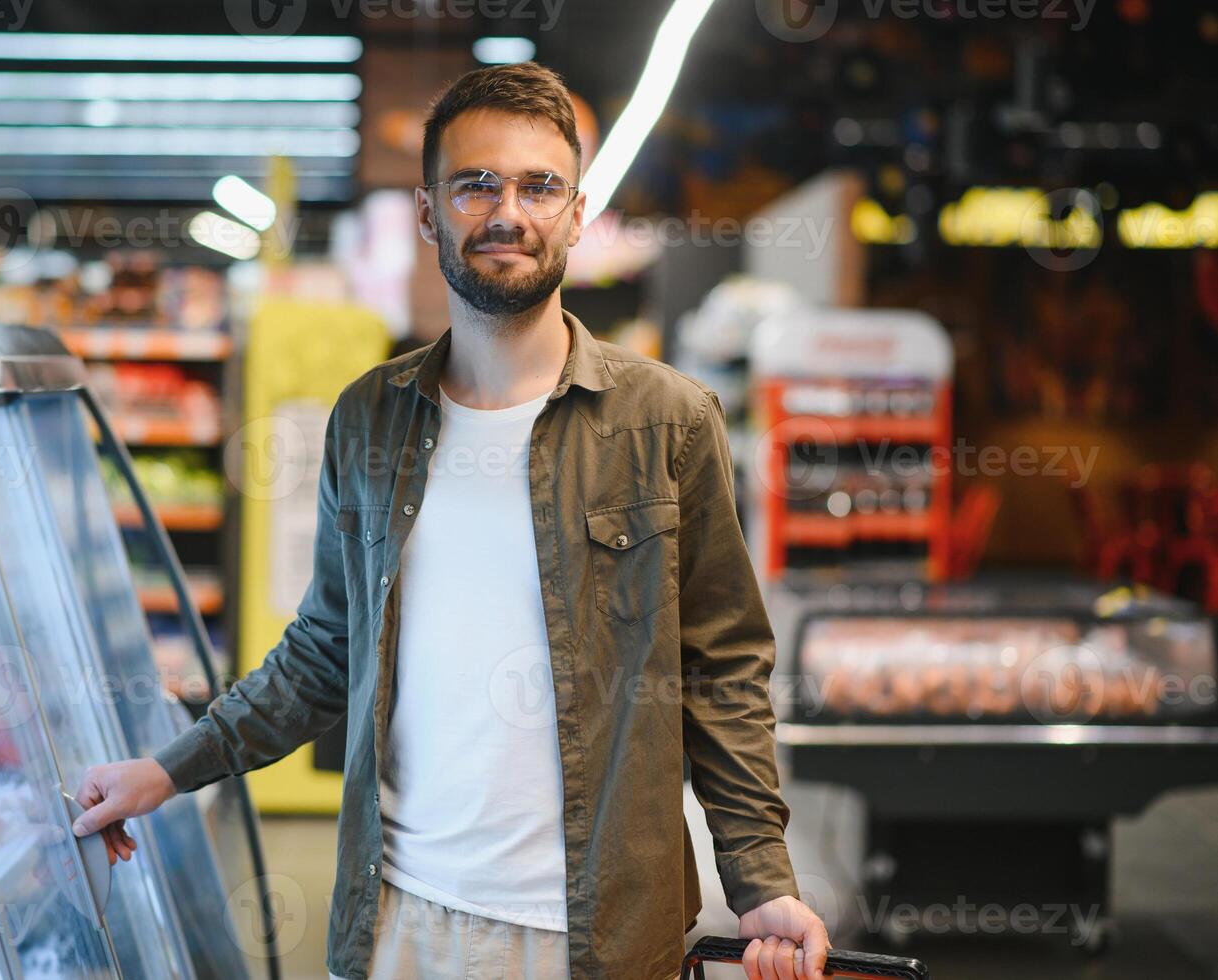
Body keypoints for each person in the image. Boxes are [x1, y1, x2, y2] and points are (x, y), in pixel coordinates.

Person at [72, 61, 829, 980]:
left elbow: (720, 670)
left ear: (577, 216)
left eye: (538, 186)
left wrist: (759, 880)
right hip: (400, 923)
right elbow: (324, 649)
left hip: (598, 934)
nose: (507, 211)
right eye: (474, 184)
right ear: (429, 215)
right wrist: (167, 769)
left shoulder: (668, 422)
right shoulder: (368, 419)